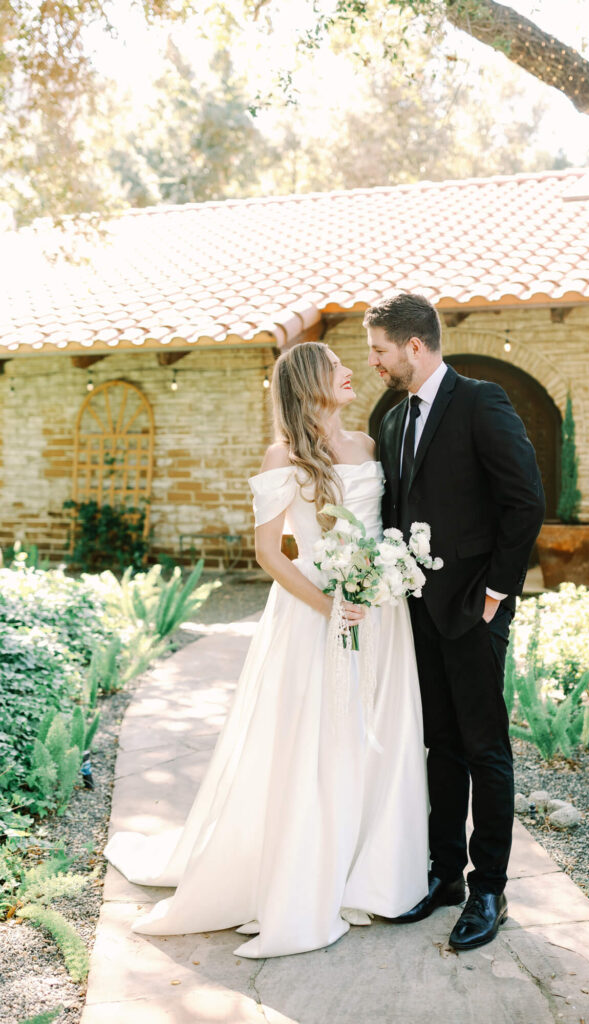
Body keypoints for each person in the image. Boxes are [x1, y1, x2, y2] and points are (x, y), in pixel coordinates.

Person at [104, 342, 429, 959]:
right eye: (337, 366)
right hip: (313, 612)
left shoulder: (367, 444)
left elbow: (385, 527)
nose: (350, 371)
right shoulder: (283, 456)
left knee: (376, 732)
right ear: (311, 381)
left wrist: (381, 578)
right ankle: (301, 872)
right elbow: (270, 552)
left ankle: (368, 871)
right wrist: (330, 603)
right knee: (314, 737)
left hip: (380, 613)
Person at [366, 293, 545, 952]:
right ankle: (444, 875)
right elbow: (395, 512)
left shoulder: (481, 402)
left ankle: (488, 887)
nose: (375, 363)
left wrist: (495, 594)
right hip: (416, 612)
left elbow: (523, 503)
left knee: (484, 748)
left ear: (414, 346)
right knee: (439, 744)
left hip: (475, 608)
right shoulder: (390, 420)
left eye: (380, 351)